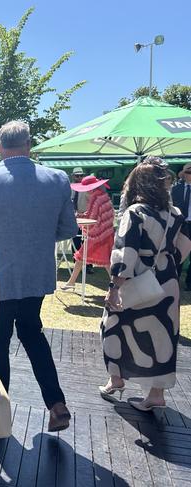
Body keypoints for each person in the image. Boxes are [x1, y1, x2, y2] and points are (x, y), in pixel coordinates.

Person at [0, 120, 78, 432]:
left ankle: (0, 416)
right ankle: (56, 403)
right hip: (34, 277)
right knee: (33, 334)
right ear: (29, 145)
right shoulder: (57, 179)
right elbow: (69, 229)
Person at [101, 157, 191, 411]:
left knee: (114, 326)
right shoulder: (176, 214)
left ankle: (116, 379)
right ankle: (156, 394)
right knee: (163, 339)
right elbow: (183, 246)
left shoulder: (135, 213)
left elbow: (125, 252)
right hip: (167, 281)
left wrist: (114, 287)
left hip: (138, 278)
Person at [61, 175, 115, 289]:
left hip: (98, 235)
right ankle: (71, 282)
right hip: (106, 233)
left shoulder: (95, 198)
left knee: (103, 261)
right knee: (87, 258)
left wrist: (77, 217)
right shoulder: (103, 196)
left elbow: (92, 217)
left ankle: (117, 286)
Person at [171, 162, 191, 290]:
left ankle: (189, 283)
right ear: (183, 174)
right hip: (180, 225)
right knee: (178, 254)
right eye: (188, 172)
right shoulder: (175, 188)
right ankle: (174, 282)